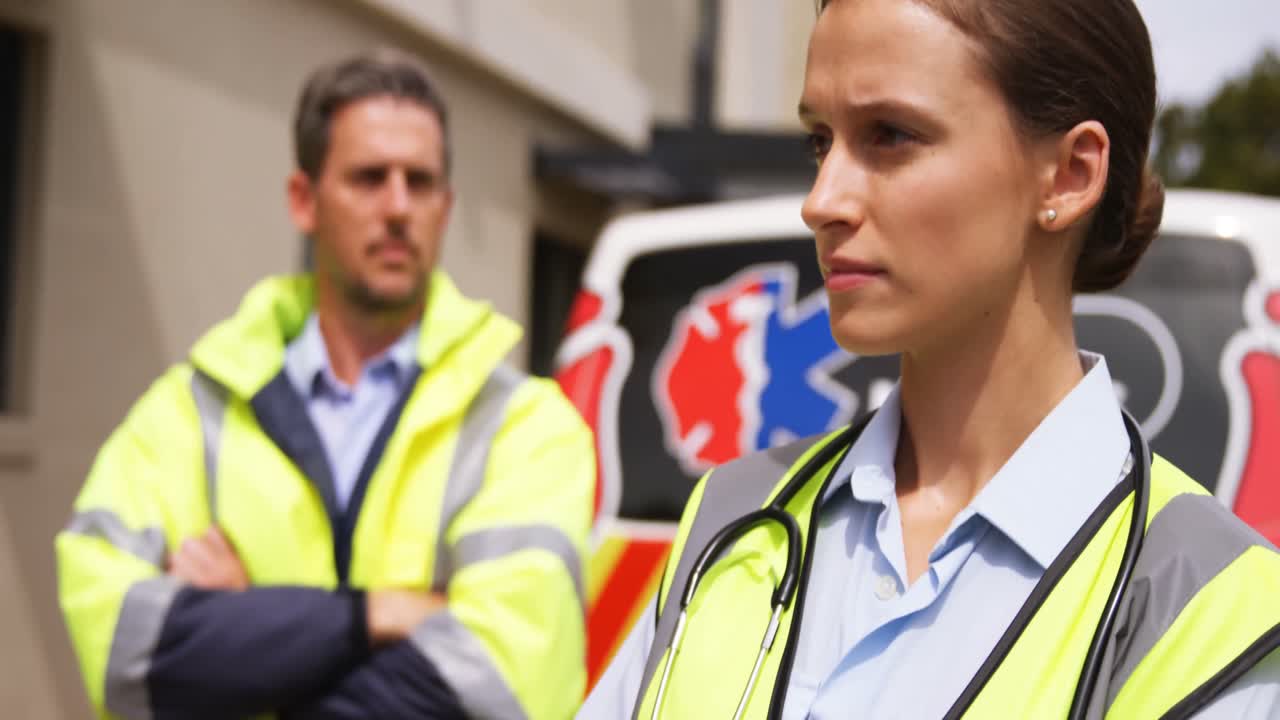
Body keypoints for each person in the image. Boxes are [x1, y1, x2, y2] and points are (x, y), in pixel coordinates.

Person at [580, 0, 1280, 718]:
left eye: (890, 136)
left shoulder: (1212, 612)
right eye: (820, 141)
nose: (822, 200)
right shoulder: (728, 514)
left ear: (1070, 174)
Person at [57, 49, 594, 720]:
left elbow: (500, 689)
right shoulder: (187, 413)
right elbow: (121, 654)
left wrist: (249, 629)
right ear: (304, 201)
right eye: (369, 178)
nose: (398, 206)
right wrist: (382, 613)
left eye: (420, 182)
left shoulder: (525, 426)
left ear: (446, 206)